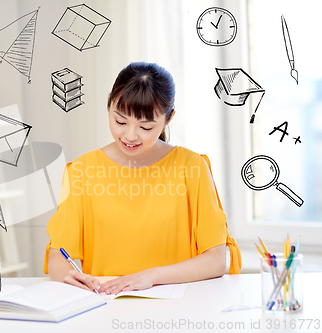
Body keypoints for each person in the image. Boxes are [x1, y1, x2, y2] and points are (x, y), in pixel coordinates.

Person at [43, 62, 241, 295]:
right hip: (104, 305)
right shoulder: (81, 171)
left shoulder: (192, 167)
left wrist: (151, 277)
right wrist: (67, 275)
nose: (130, 135)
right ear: (109, 106)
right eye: (120, 121)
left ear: (169, 118)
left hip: (179, 307)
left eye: (145, 127)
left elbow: (215, 260)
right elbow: (59, 255)